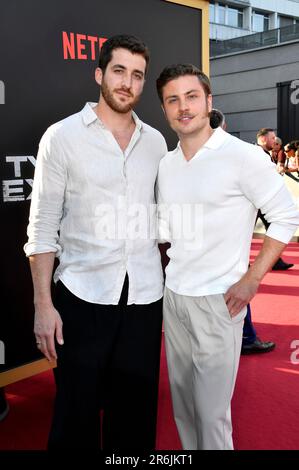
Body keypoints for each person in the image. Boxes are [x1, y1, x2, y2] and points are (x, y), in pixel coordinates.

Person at [24, 34, 167, 450]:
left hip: (143, 298)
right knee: (75, 417)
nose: (128, 83)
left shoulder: (156, 142)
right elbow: (42, 224)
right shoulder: (62, 137)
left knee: (136, 419)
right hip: (81, 297)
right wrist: (42, 306)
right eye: (119, 71)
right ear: (99, 74)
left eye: (138, 75)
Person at [156, 64, 299, 450]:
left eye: (191, 96)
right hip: (175, 297)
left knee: (211, 414)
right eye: (173, 99)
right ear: (165, 109)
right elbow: (167, 231)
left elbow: (287, 216)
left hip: (221, 301)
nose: (183, 107)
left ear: (208, 101)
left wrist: (252, 279)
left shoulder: (243, 156)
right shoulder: (166, 165)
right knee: (183, 409)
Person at [209, 109, 275, 355]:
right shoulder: (242, 157)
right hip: (226, 251)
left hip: (210, 250)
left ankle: (243, 337)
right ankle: (246, 337)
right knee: (234, 292)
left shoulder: (190, 157)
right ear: (224, 127)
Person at [256, 128, 294, 271]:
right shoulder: (256, 154)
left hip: (263, 202)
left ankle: (274, 260)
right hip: (253, 202)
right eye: (272, 138)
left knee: (274, 228)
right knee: (244, 234)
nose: (275, 141)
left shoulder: (266, 154)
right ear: (264, 139)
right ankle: (241, 264)